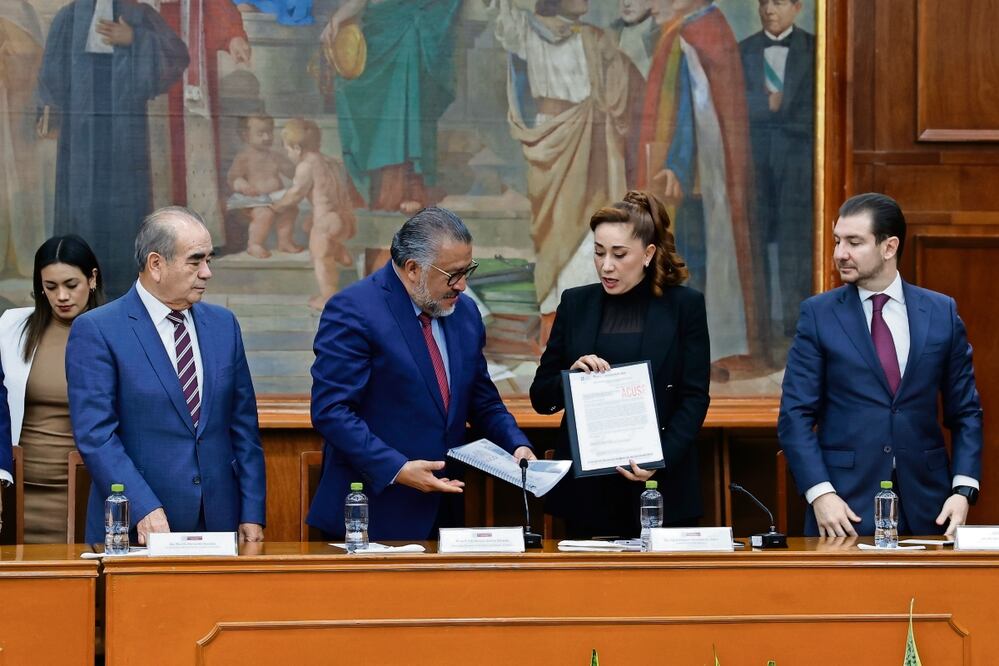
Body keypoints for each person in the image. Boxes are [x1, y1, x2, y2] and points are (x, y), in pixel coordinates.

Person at [308, 207, 534, 540]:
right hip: (371, 515)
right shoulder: (354, 310)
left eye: (468, 270)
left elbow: (482, 399)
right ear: (413, 269)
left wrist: (516, 446)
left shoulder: (465, 313)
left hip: (445, 512)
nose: (463, 285)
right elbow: (332, 411)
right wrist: (397, 468)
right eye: (453, 274)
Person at [778, 193, 984, 538]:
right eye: (837, 240)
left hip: (930, 507)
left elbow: (966, 412)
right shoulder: (818, 315)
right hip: (843, 510)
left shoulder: (941, 312)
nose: (839, 253)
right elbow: (794, 416)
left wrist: (963, 490)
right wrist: (820, 493)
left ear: (889, 247)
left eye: (854, 242)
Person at [66, 206, 266, 545]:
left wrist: (251, 511)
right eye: (195, 260)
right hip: (136, 527)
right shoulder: (98, 330)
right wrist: (141, 506)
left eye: (209, 260)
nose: (207, 272)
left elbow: (243, 427)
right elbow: (96, 435)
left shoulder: (223, 326)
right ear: (156, 264)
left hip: (220, 523)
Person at [530, 191, 710, 538]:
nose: (606, 266)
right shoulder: (576, 303)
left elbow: (694, 397)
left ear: (648, 254)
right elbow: (541, 396)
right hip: (588, 495)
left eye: (619, 254)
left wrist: (659, 459)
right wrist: (572, 377)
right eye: (599, 252)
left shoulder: (684, 306)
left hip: (660, 488)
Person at [489, 0, 635, 315]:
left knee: (590, 230)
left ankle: (588, 314)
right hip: (551, 139)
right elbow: (500, 13)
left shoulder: (595, 38)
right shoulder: (527, 30)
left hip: (594, 141)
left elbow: (624, 86)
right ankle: (552, 317)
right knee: (553, 230)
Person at [36, 0, 189, 299]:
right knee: (81, 203)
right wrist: (48, 110)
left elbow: (177, 55)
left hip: (125, 130)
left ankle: (123, 287)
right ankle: (74, 282)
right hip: (80, 130)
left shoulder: (139, 14)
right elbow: (51, 72)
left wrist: (135, 39)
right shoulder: (70, 16)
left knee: (124, 204)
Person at [644, 0, 765, 368]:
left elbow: (689, 107)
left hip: (700, 172)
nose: (653, 5)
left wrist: (677, 165)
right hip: (710, 170)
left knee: (694, 253)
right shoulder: (712, 27)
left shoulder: (691, 33)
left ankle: (701, 348)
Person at [0, 236, 103, 543]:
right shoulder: (10, 328)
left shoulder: (115, 332)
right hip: (16, 488)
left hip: (87, 489)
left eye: (71, 285)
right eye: (50, 286)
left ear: (93, 279)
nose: (61, 296)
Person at [321, 0, 461, 214]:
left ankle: (409, 189)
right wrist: (337, 19)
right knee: (356, 96)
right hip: (378, 32)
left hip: (407, 33)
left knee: (405, 107)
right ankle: (368, 188)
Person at [740, 0, 815, 340]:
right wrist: (766, 104)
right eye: (764, 2)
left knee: (794, 242)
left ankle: (794, 324)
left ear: (797, 7)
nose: (769, 9)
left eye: (779, 2)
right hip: (752, 162)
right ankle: (759, 331)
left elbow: (817, 109)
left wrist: (778, 107)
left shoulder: (815, 49)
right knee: (754, 238)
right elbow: (733, 106)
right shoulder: (743, 51)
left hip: (797, 162)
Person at [273, 118, 364, 310]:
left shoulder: (306, 166)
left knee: (320, 257)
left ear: (297, 148)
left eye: (288, 150)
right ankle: (339, 250)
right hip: (344, 217)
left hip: (327, 221)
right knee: (309, 225)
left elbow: (296, 193)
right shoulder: (331, 162)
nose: (288, 154)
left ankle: (328, 297)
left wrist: (277, 206)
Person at [226, 113, 301, 259]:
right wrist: (242, 185)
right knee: (265, 214)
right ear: (246, 136)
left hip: (274, 198)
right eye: (261, 133)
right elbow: (233, 177)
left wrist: (297, 166)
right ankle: (255, 244)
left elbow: (291, 172)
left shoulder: (275, 156)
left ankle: (284, 241)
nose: (267, 137)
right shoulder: (244, 156)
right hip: (253, 200)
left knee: (290, 209)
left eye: (269, 132)